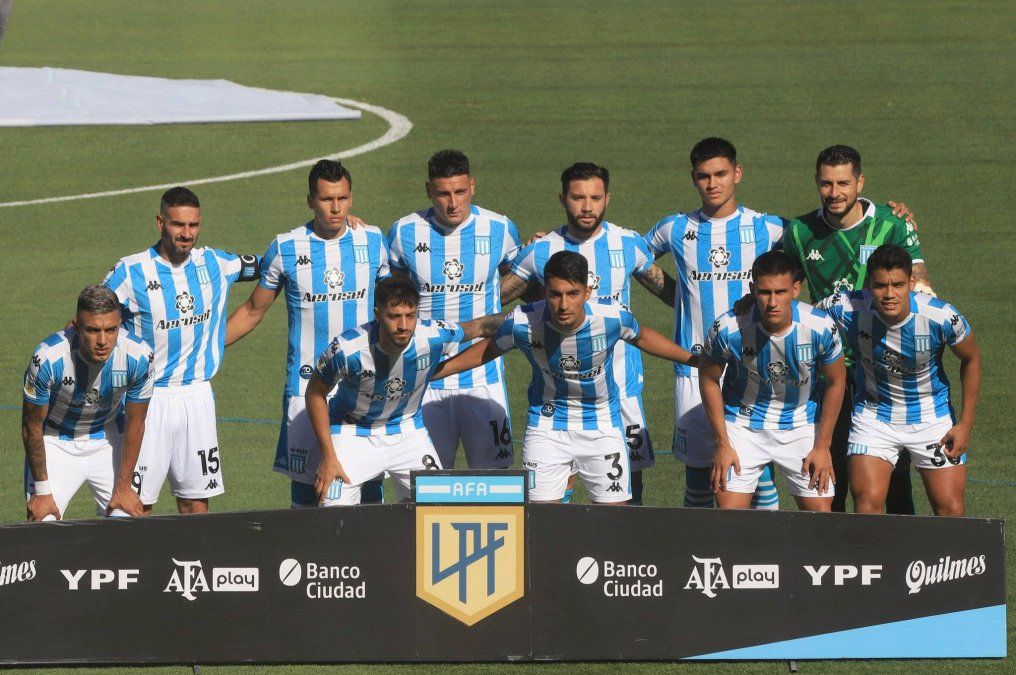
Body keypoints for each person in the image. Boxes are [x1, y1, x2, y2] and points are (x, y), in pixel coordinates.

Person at [435, 251, 694, 504]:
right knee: (541, 521)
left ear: (587, 292)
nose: (563, 305)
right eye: (555, 294)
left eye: (572, 294)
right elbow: (489, 349)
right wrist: (439, 371)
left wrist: (693, 360)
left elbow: (642, 337)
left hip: (602, 425)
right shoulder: (523, 322)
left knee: (614, 521)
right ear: (545, 292)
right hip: (546, 428)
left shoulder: (612, 317)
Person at [499, 162, 676, 504]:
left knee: (628, 485)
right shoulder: (541, 250)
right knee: (556, 484)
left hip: (621, 389)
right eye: (578, 197)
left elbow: (673, 294)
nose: (587, 206)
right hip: (560, 397)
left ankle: (623, 555)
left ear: (607, 198)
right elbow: (495, 299)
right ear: (562, 199)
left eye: (595, 197)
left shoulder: (627, 244)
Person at [226, 160, 389, 508]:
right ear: (310, 201)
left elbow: (397, 305)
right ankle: (307, 559)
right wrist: (205, 349)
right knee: (305, 488)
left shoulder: (373, 240)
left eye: (342, 199)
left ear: (351, 198)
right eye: (327, 199)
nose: (336, 208)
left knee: (368, 483)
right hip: (305, 386)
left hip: (362, 385)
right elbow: (253, 311)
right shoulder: (286, 248)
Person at [781, 145, 931, 513]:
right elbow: (783, 286)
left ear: (860, 182)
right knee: (830, 474)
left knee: (892, 476)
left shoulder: (892, 225)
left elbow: (920, 282)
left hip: (883, 369)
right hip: (828, 370)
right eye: (826, 183)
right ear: (817, 182)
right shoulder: (799, 232)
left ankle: (897, 561)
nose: (835, 193)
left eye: (844, 183)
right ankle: (838, 563)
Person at [644, 138, 786, 509]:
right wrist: (675, 295)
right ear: (693, 178)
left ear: (737, 173)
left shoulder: (767, 228)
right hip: (694, 369)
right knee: (700, 475)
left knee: (759, 473)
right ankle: (700, 558)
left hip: (752, 369)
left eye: (721, 173)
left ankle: (766, 556)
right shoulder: (674, 228)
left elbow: (821, 239)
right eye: (704, 176)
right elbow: (627, 256)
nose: (713, 183)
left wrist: (897, 218)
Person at [103, 187, 259, 513]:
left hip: (197, 397)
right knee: (134, 504)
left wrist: (334, 229)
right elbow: (91, 313)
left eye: (193, 225)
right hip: (147, 400)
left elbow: (273, 266)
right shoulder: (131, 272)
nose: (186, 234)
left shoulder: (216, 263)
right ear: (160, 222)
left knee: (195, 503)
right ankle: (134, 564)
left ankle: (195, 565)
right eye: (178, 225)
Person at [305, 277, 508, 505]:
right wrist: (328, 457)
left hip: (408, 431)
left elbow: (480, 326)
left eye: (410, 315)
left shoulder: (432, 335)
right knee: (333, 511)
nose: (404, 326)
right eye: (394, 316)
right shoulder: (346, 349)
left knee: (440, 506)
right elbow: (314, 393)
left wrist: (526, 317)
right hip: (352, 433)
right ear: (377, 314)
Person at [386, 150, 523, 474]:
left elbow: (520, 278)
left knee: (495, 482)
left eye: (460, 192)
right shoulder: (404, 233)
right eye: (443, 193)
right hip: (425, 381)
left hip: (484, 378)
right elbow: (392, 294)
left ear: (472, 186)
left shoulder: (499, 229)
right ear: (429, 190)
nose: (452, 203)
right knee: (423, 484)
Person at [818, 245, 978, 516]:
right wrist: (750, 304)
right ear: (869, 284)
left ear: (912, 283)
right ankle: (877, 559)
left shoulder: (941, 316)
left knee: (950, 509)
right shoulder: (845, 307)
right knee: (867, 504)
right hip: (874, 416)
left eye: (898, 285)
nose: (889, 294)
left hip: (931, 416)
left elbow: (971, 358)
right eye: (880, 286)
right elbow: (797, 315)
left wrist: (965, 424)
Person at [701, 251, 846, 511]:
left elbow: (836, 381)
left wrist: (823, 446)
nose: (772, 302)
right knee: (728, 516)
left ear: (796, 289)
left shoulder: (820, 327)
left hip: (800, 424)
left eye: (780, 292)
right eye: (765, 292)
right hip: (742, 425)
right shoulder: (728, 328)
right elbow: (709, 379)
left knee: (821, 516)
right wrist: (723, 443)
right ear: (752, 290)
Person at [21, 285, 153, 521]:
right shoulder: (47, 359)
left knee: (129, 524)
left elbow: (136, 422)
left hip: (108, 436)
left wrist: (123, 488)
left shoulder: (139, 355)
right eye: (92, 330)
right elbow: (32, 426)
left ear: (120, 324)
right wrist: (41, 491)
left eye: (111, 330)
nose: (103, 340)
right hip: (54, 440)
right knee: (42, 524)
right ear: (76, 326)